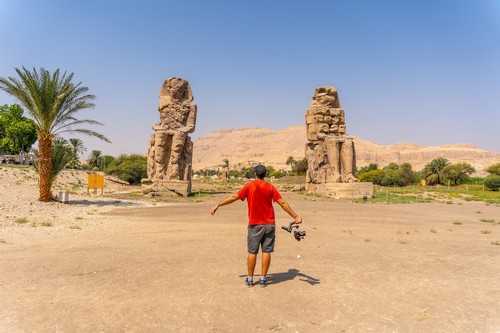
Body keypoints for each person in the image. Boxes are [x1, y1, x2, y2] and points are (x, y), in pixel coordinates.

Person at [210, 164, 303, 287]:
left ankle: (250, 279)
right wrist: (295, 216)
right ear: (265, 175)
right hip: (269, 225)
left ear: (255, 174)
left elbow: (234, 197)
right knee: (266, 251)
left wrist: (219, 204)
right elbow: (282, 202)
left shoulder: (250, 186)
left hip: (255, 225)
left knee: (252, 252)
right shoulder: (270, 187)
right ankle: (263, 279)